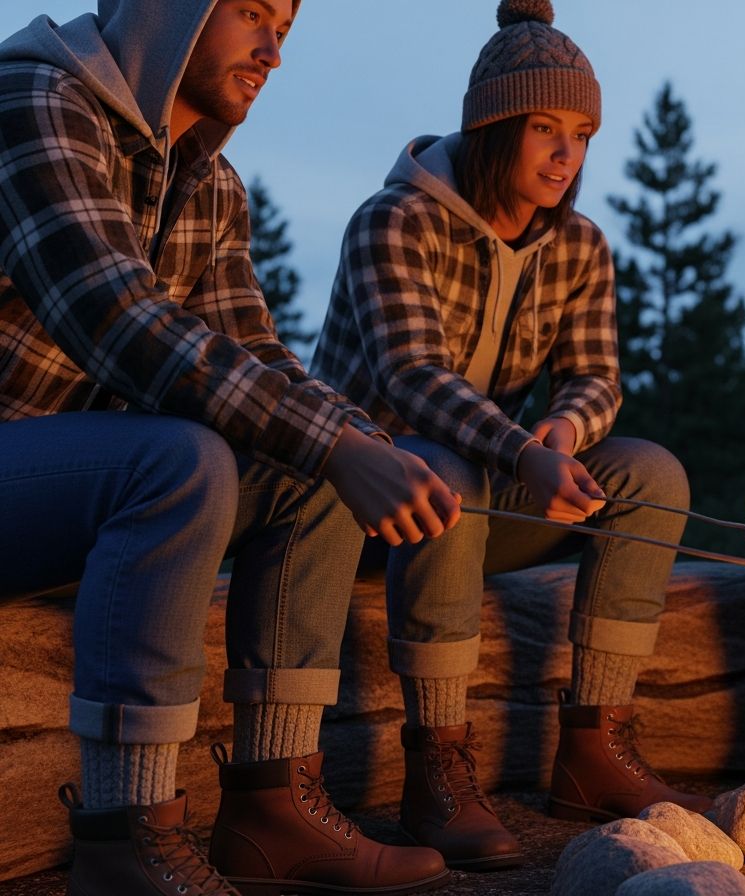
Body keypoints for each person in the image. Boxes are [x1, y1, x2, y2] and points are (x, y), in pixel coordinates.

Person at [0, 2, 462, 893]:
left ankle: (272, 808)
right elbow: (118, 320)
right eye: (252, 11)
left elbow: (255, 351)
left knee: (307, 465)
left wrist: (366, 443)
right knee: (181, 458)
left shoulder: (208, 182)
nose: (275, 50)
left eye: (286, 25)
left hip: (65, 485)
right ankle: (125, 838)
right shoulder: (32, 95)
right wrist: (336, 441)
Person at [313, 0, 712, 871]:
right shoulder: (394, 221)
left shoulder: (579, 246)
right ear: (493, 128)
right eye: (544, 128)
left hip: (493, 493)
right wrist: (524, 452)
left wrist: (565, 430)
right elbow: (408, 378)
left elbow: (597, 374)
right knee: (444, 466)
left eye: (581, 133)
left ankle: (593, 744)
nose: (568, 155)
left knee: (649, 474)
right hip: (365, 506)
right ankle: (438, 766)